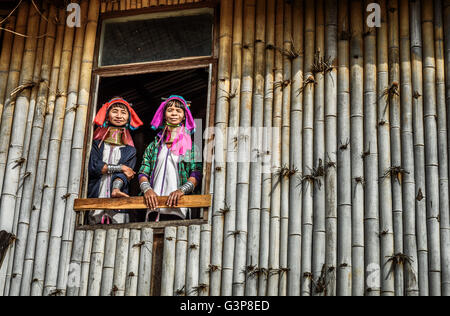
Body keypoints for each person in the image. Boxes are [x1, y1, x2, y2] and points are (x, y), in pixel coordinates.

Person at [138, 95, 202, 222]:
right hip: (153, 208)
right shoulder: (153, 146)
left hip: (178, 209)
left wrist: (181, 191)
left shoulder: (191, 147)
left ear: (184, 116)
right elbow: (143, 172)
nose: (174, 113)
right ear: (164, 114)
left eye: (178, 111)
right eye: (170, 110)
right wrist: (148, 190)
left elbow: (196, 173)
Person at [87, 97, 143, 225]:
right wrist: (121, 167)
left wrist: (116, 189)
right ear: (107, 116)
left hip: (118, 204)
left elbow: (126, 174)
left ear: (128, 118)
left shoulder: (130, 151)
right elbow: (95, 167)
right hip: (96, 198)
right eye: (115, 111)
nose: (119, 116)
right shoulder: (97, 145)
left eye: (123, 113)